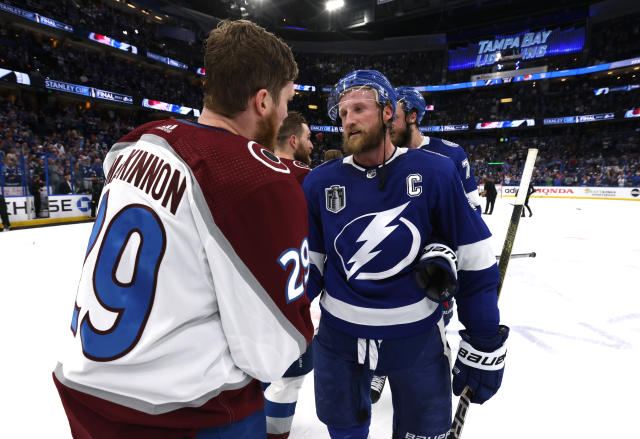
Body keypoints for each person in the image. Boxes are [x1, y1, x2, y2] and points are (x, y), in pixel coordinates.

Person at [53, 19, 314, 439]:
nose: (285, 115)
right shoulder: (254, 176)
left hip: (86, 390)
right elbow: (271, 351)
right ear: (263, 101)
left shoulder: (135, 143)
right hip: (185, 413)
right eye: (286, 101)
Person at [303, 70, 508, 439]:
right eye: (343, 112)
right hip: (338, 339)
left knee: (423, 432)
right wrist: (281, 322)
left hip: (416, 338)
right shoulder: (319, 182)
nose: (348, 119)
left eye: (359, 108)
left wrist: (484, 340)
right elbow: (309, 267)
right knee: (343, 430)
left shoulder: (436, 172)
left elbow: (476, 263)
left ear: (387, 112)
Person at [263, 111, 314, 439]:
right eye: (308, 138)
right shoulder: (310, 177)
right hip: (289, 302)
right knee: (288, 380)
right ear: (294, 141)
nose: (312, 143)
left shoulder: (246, 169)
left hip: (242, 292)